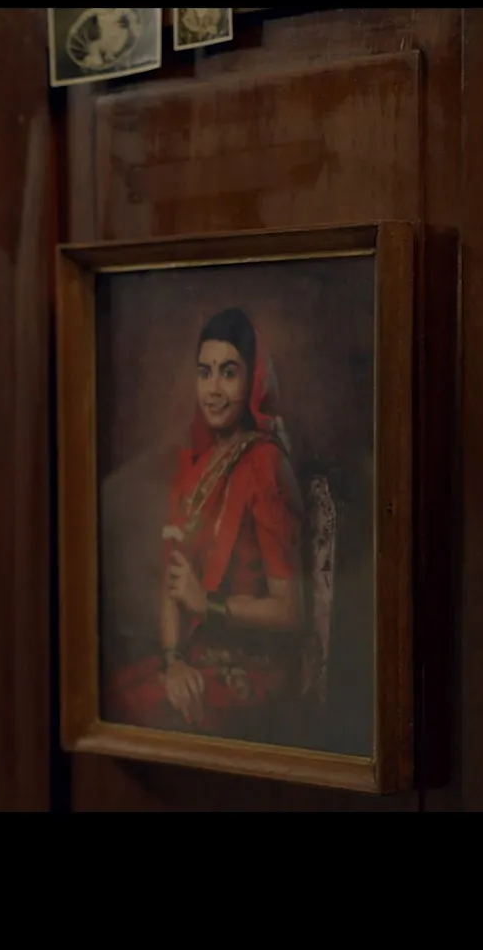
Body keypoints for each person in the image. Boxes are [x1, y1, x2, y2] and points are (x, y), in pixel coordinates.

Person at [105, 307, 307, 743]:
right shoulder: (198, 464)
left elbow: (291, 610)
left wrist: (208, 604)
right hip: (197, 653)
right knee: (118, 699)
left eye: (228, 373)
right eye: (205, 372)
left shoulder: (265, 466)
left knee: (150, 717)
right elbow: (173, 582)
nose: (213, 390)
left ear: (252, 380)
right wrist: (174, 660)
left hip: (258, 665)